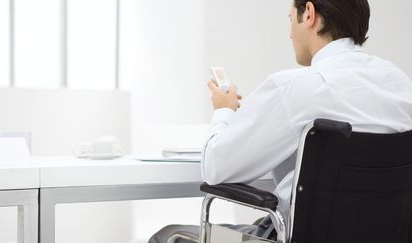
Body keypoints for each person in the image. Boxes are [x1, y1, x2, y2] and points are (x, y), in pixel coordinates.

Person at [149, 0, 412, 242]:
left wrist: (224, 110)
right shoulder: (400, 84)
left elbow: (215, 168)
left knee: (168, 235)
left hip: (289, 236)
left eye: (290, 19)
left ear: (308, 13)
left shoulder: (295, 88)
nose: (289, 33)